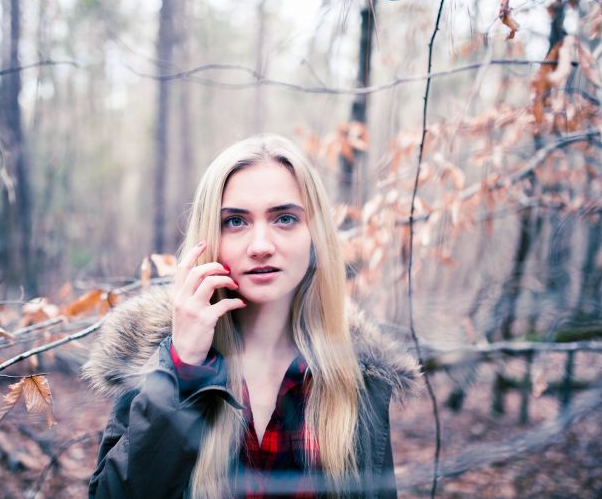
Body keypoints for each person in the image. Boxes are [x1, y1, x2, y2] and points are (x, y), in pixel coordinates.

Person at [83, 134, 420, 498]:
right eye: (235, 222)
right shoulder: (156, 362)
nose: (261, 246)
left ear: (315, 237)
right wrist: (181, 369)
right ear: (210, 238)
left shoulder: (360, 377)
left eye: (285, 218)